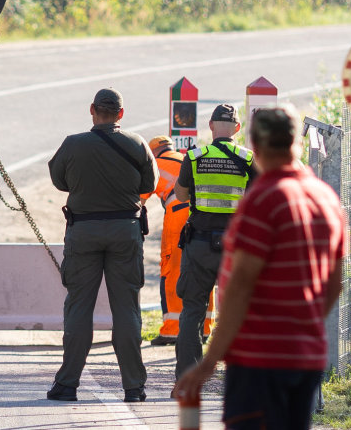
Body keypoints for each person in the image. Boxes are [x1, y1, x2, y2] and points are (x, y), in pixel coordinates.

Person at [174, 106, 346, 429]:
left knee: (193, 310)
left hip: (259, 360)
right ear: (296, 141)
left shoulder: (264, 199)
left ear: (254, 141)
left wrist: (207, 364)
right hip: (306, 357)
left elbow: (240, 288)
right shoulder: (326, 199)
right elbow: (334, 284)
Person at [46, 88, 158, 404]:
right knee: (127, 310)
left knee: (79, 307)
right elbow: (149, 185)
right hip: (126, 232)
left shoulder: (73, 144)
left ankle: (67, 385)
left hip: (83, 232)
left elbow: (59, 181)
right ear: (121, 114)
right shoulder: (137, 144)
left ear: (92, 110)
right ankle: (133, 387)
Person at [173, 104, 258, 381]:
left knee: (193, 311)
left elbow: (181, 196)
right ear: (236, 128)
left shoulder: (194, 157)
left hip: (198, 246)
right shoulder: (248, 159)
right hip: (236, 248)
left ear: (210, 126)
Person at [143, 136, 214, 347]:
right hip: (202, 214)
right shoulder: (185, 160)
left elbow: (139, 198)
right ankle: (205, 327)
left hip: (178, 213)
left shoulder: (154, 164)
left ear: (153, 152)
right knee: (203, 269)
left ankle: (172, 329)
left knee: (171, 268)